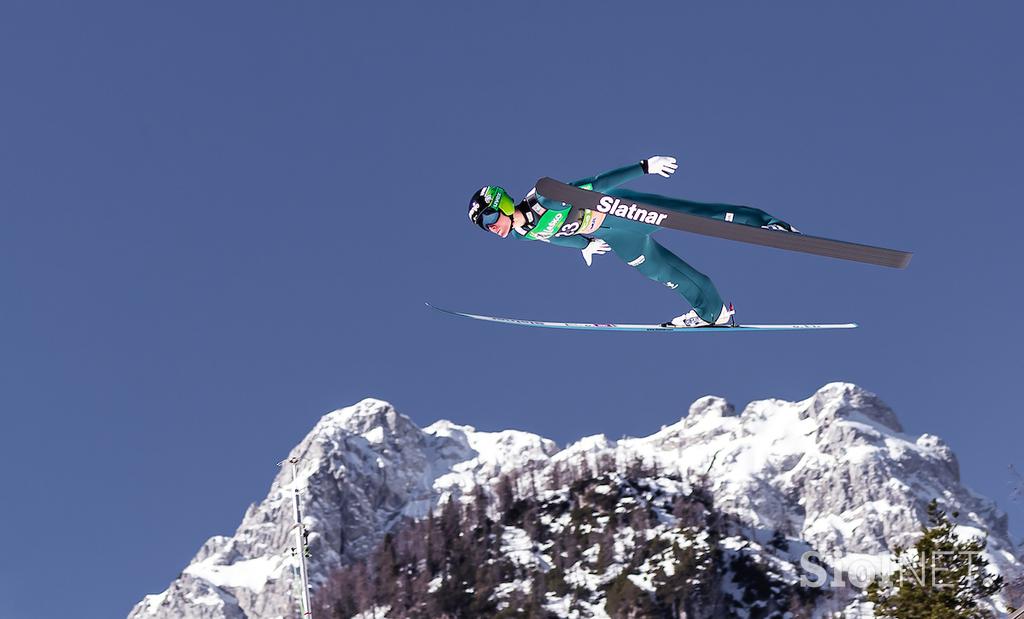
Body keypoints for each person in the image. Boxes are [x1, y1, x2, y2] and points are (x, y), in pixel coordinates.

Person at [467, 156, 799, 327]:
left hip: (622, 211)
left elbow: (597, 183)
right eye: (486, 227)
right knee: (660, 272)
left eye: (491, 219)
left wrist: (643, 167)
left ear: (504, 205)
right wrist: (585, 246)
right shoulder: (525, 231)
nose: (493, 228)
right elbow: (553, 239)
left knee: (696, 215)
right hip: (616, 237)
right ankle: (713, 312)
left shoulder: (546, 196)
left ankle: (769, 224)